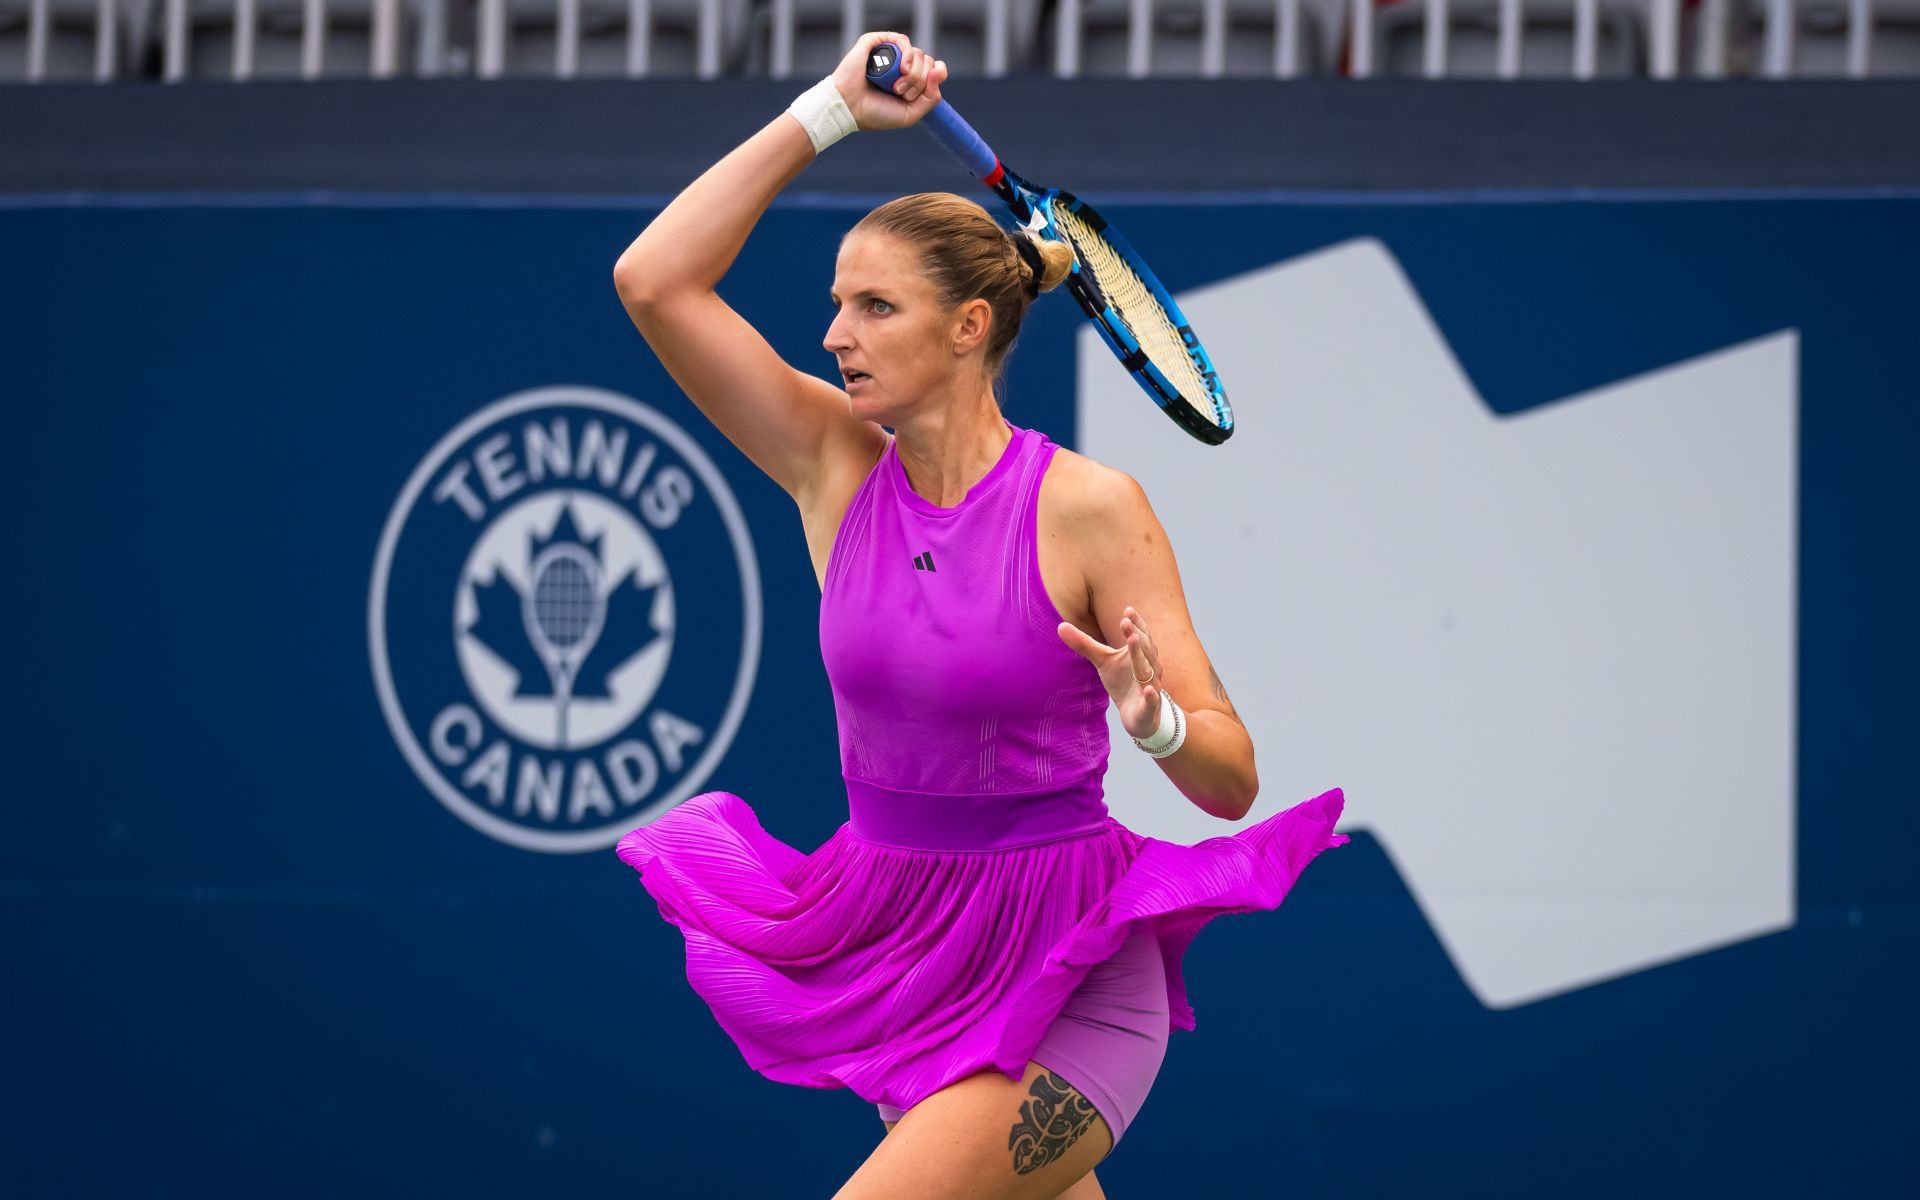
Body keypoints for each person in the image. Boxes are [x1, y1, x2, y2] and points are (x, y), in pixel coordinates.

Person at [610, 31, 1348, 1200]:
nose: (834, 334)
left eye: (874, 305)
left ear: (967, 329)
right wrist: (832, 112)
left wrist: (1152, 724)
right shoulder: (830, 467)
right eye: (836, 302)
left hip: (1070, 980)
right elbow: (654, 281)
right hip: (906, 957)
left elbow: (1229, 781)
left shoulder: (1091, 510)